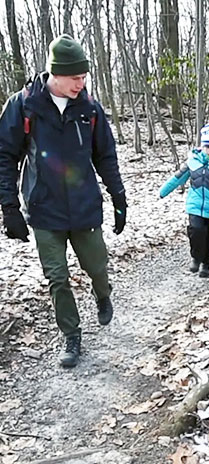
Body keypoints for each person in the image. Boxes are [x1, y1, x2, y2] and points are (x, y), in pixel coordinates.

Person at [0, 34, 127, 368]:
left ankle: (103, 294)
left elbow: (106, 156)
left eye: (84, 77)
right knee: (57, 277)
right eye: (75, 78)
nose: (80, 84)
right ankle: (72, 336)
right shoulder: (24, 105)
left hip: (84, 206)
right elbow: (5, 156)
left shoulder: (90, 109)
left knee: (96, 267)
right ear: (54, 74)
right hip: (44, 208)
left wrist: (118, 195)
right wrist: (9, 206)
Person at [159, 124, 209, 278]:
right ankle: (196, 257)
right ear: (202, 146)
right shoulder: (193, 162)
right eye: (207, 146)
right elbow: (178, 177)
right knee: (196, 231)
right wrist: (164, 191)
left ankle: (207, 264)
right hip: (195, 206)